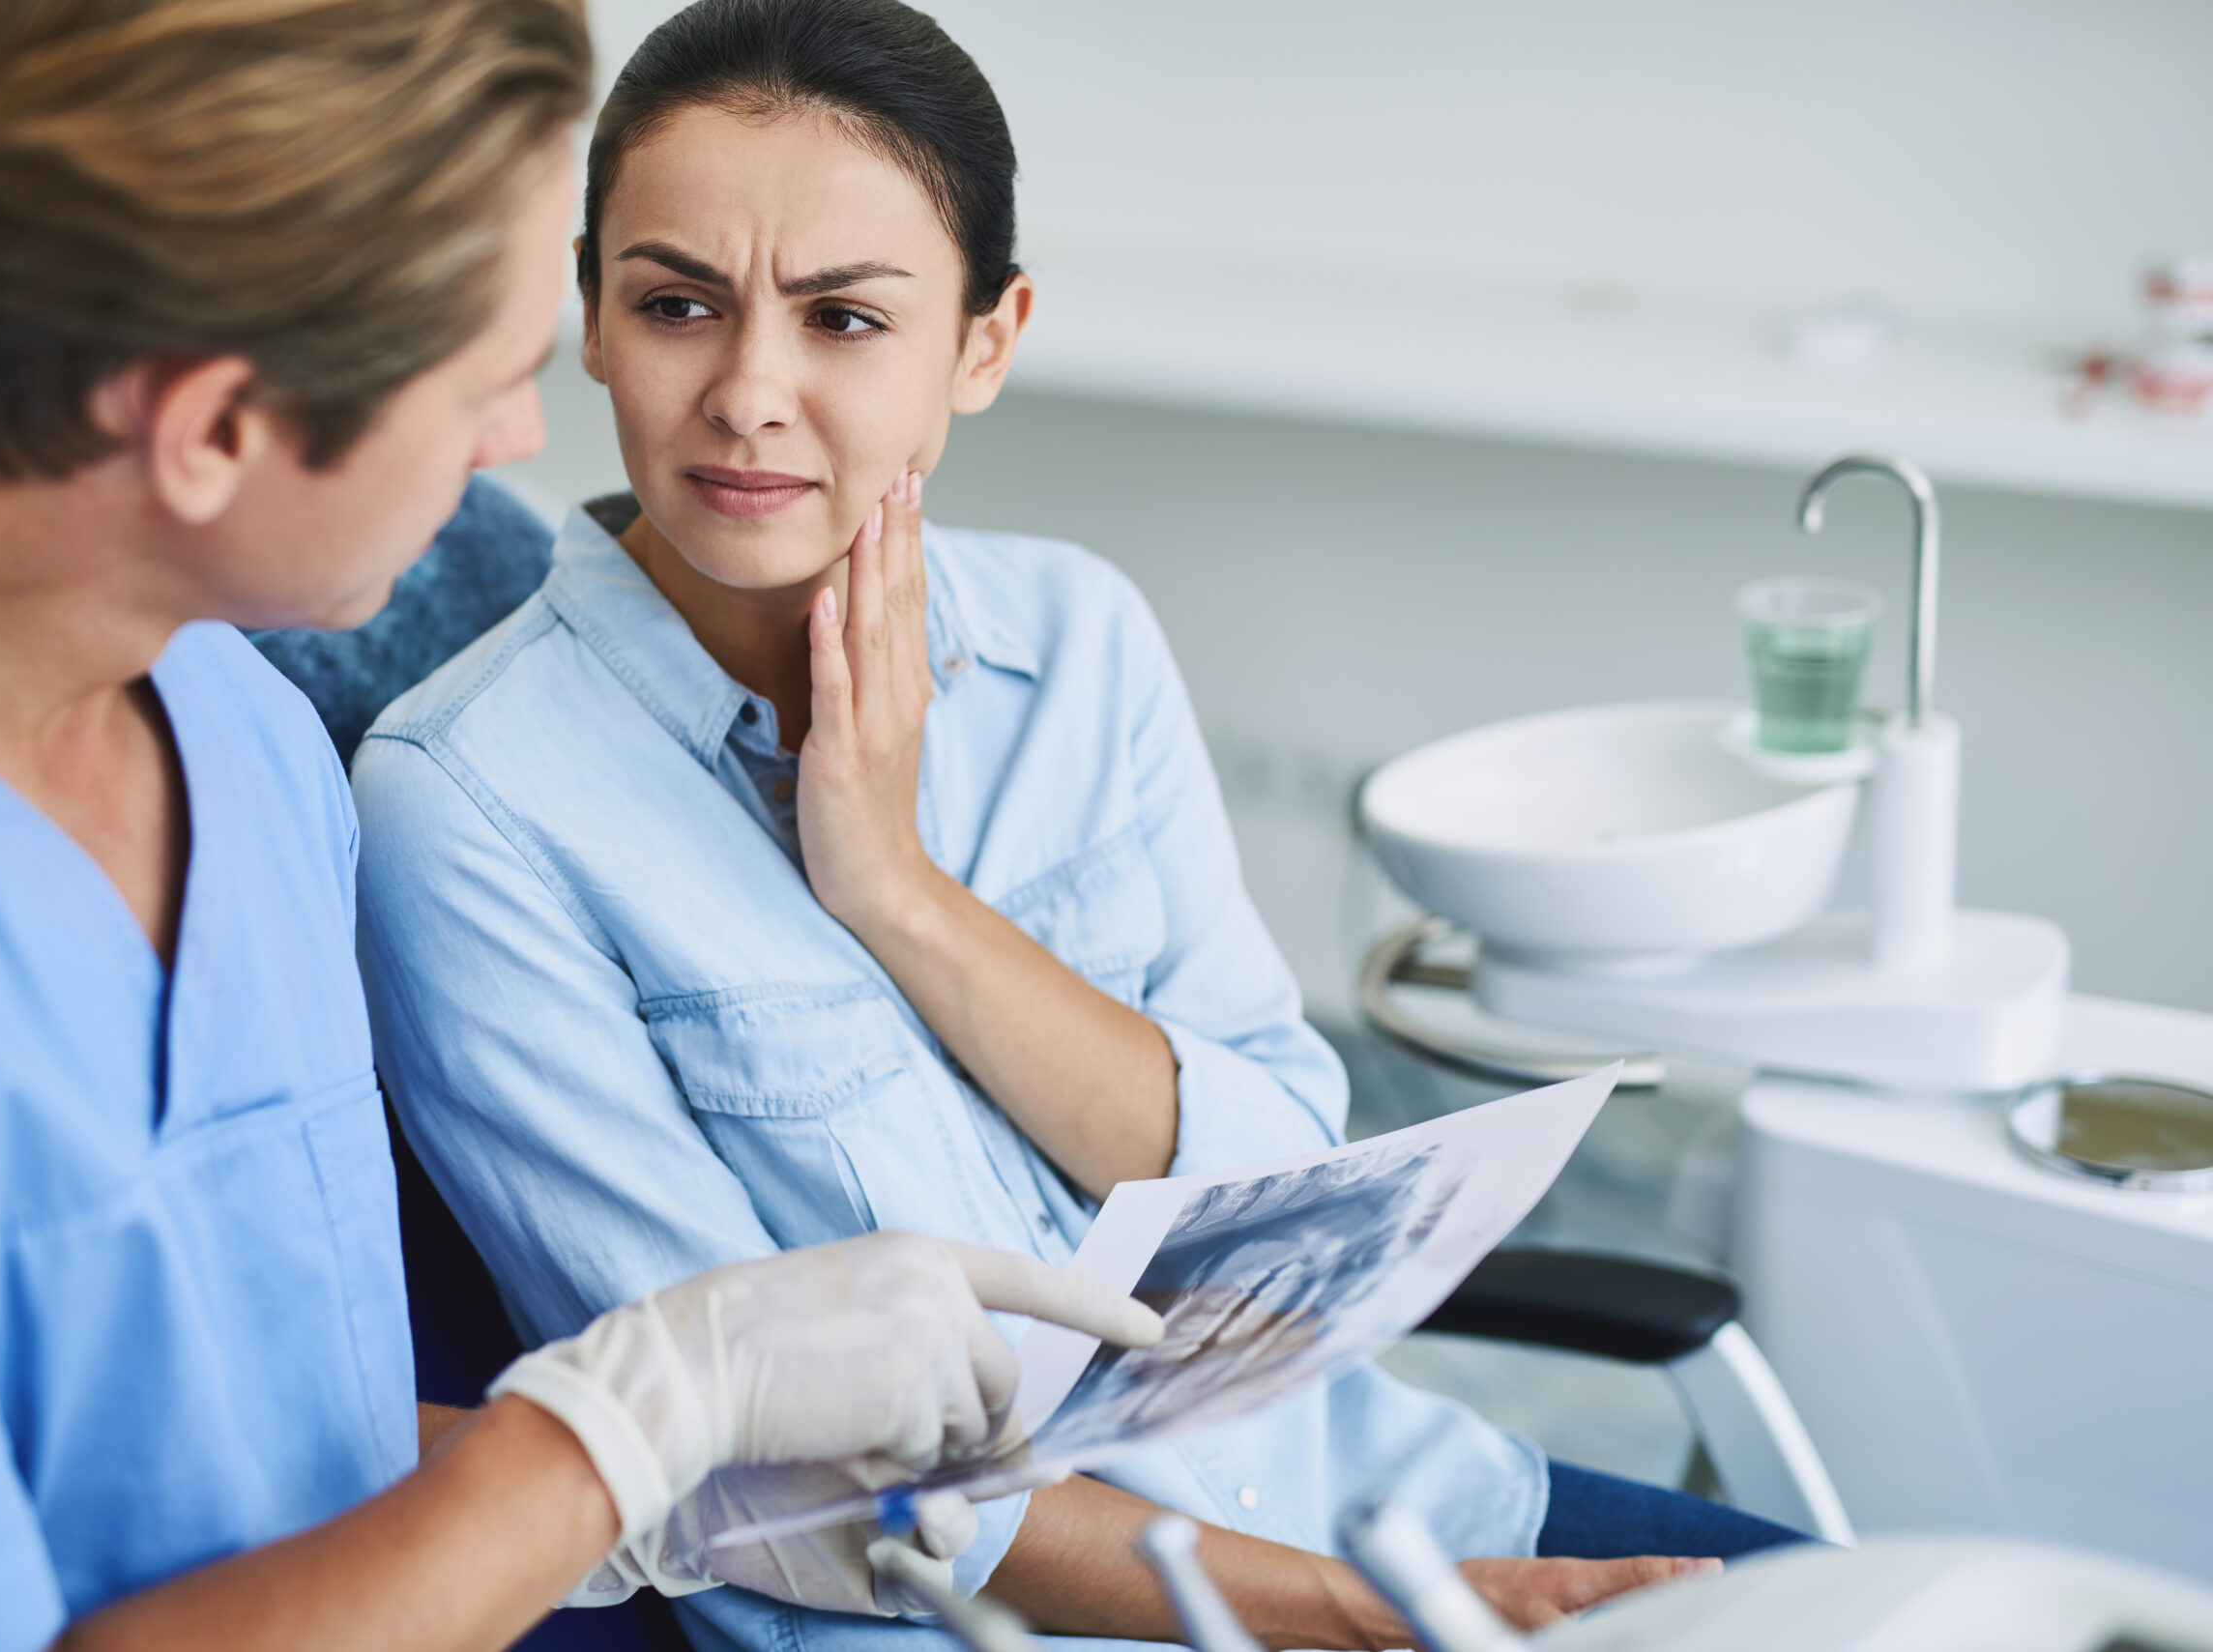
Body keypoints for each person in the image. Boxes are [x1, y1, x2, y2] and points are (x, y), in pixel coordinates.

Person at [350, 3, 1809, 1651]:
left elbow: (1281, 1183)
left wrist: (895, 887)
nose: (747, 394)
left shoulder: (1081, 641)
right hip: (983, 1615)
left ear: (985, 341)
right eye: (677, 304)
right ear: (595, 319)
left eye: (844, 319)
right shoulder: (466, 804)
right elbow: (751, 1461)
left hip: (1369, 1490)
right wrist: (1368, 1620)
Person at [0, 4, 1165, 1650]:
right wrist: (625, 1418)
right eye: (488, 383)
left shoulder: (246, 736)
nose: (516, 450)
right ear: (211, 427)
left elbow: (280, 1459)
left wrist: (707, 1466)